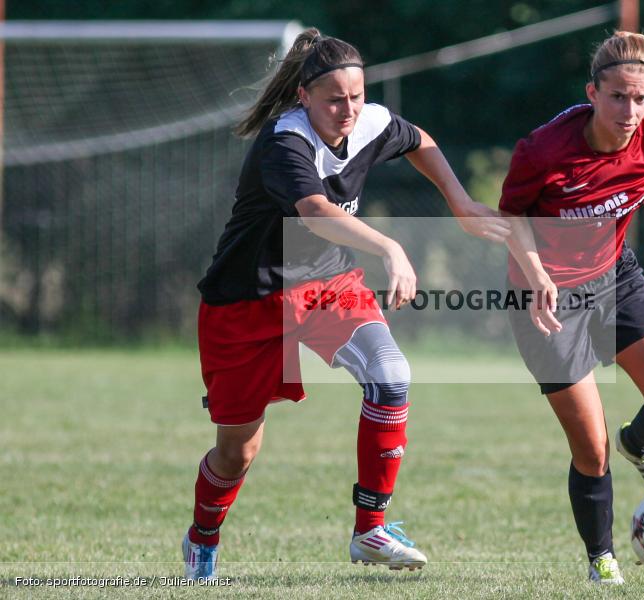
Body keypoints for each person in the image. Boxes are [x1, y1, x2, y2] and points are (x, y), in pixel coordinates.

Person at [184, 29, 509, 580]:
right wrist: (389, 245)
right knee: (237, 451)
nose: (349, 110)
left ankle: (370, 530)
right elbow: (313, 210)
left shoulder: (370, 123)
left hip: (327, 286)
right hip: (247, 304)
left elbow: (418, 140)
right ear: (303, 97)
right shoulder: (284, 141)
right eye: (335, 99)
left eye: (357, 96)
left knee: (391, 374)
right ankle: (202, 538)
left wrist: (458, 200)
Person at [499, 31, 644, 585]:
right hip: (544, 300)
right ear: (592, 91)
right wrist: (537, 273)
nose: (630, 110)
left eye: (641, 98)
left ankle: (639, 447)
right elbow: (511, 218)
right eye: (617, 97)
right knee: (589, 448)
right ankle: (601, 560)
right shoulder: (543, 150)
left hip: (615, 279)